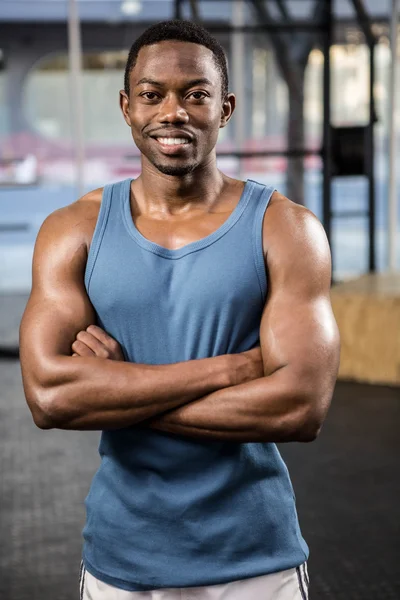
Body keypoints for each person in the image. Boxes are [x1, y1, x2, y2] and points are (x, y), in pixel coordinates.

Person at [19, 19, 340, 600]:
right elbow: (48, 397)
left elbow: (300, 407)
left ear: (226, 108)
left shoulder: (286, 229)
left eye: (196, 94)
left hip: (254, 560)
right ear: (126, 106)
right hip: (122, 559)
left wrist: (114, 392)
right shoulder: (72, 231)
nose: (174, 112)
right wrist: (231, 368)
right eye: (152, 94)